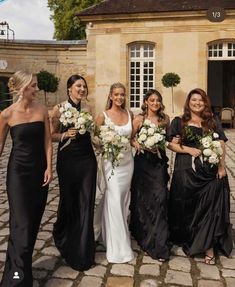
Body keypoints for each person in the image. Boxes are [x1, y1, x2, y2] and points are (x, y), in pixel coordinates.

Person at [168, 88, 233, 265]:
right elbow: (172, 145)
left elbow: (220, 144)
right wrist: (189, 149)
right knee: (190, 207)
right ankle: (192, 236)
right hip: (187, 172)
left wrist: (221, 167)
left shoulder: (212, 122)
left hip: (209, 172)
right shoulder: (179, 122)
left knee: (210, 206)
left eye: (200, 100)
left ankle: (208, 246)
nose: (197, 103)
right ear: (188, 102)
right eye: (193, 100)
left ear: (205, 102)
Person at [0, 70, 52, 286]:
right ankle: (16, 280)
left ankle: (21, 270)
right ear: (22, 87)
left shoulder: (42, 110)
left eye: (37, 85)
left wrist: (49, 167)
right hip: (18, 174)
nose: (36, 89)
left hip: (39, 172)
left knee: (31, 225)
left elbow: (48, 141)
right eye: (33, 85)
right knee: (20, 224)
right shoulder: (6, 114)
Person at [50, 74, 97, 271]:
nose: (82, 89)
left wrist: (105, 144)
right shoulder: (58, 109)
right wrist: (64, 134)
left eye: (84, 86)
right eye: (78, 86)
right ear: (69, 88)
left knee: (86, 200)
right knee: (69, 199)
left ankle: (83, 247)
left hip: (87, 159)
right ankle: (63, 233)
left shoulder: (88, 109)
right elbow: (51, 135)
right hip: (68, 160)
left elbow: (92, 135)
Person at [130, 89, 170, 262]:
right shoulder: (139, 119)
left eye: (158, 100)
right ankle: (144, 233)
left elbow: (169, 139)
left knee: (160, 198)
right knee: (143, 199)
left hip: (159, 163)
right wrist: (138, 144)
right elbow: (130, 138)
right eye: (152, 100)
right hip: (142, 163)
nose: (155, 103)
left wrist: (167, 142)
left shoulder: (164, 119)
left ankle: (159, 243)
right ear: (146, 101)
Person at [96, 82, 134, 263]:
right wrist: (104, 145)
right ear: (110, 96)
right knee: (114, 197)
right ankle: (118, 246)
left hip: (128, 163)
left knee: (123, 199)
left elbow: (131, 138)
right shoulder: (102, 116)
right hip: (111, 164)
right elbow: (94, 140)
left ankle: (105, 233)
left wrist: (138, 143)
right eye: (116, 94)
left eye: (122, 95)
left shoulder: (129, 114)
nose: (120, 98)